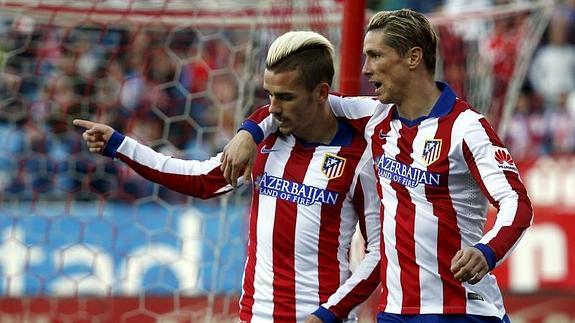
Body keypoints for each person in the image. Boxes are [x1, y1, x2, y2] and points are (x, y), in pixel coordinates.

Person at [221, 9, 533, 323]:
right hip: (395, 311)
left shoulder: (466, 129)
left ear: (413, 58)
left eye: (375, 56)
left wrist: (486, 250)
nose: (366, 69)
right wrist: (249, 132)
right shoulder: (376, 117)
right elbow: (298, 102)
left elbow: (516, 203)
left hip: (458, 309)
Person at [74, 31, 381, 323]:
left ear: (321, 93)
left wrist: (329, 313)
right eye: (269, 96)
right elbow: (200, 180)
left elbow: (378, 253)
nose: (273, 108)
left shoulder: (359, 156)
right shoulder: (266, 140)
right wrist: (120, 145)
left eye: (286, 97)